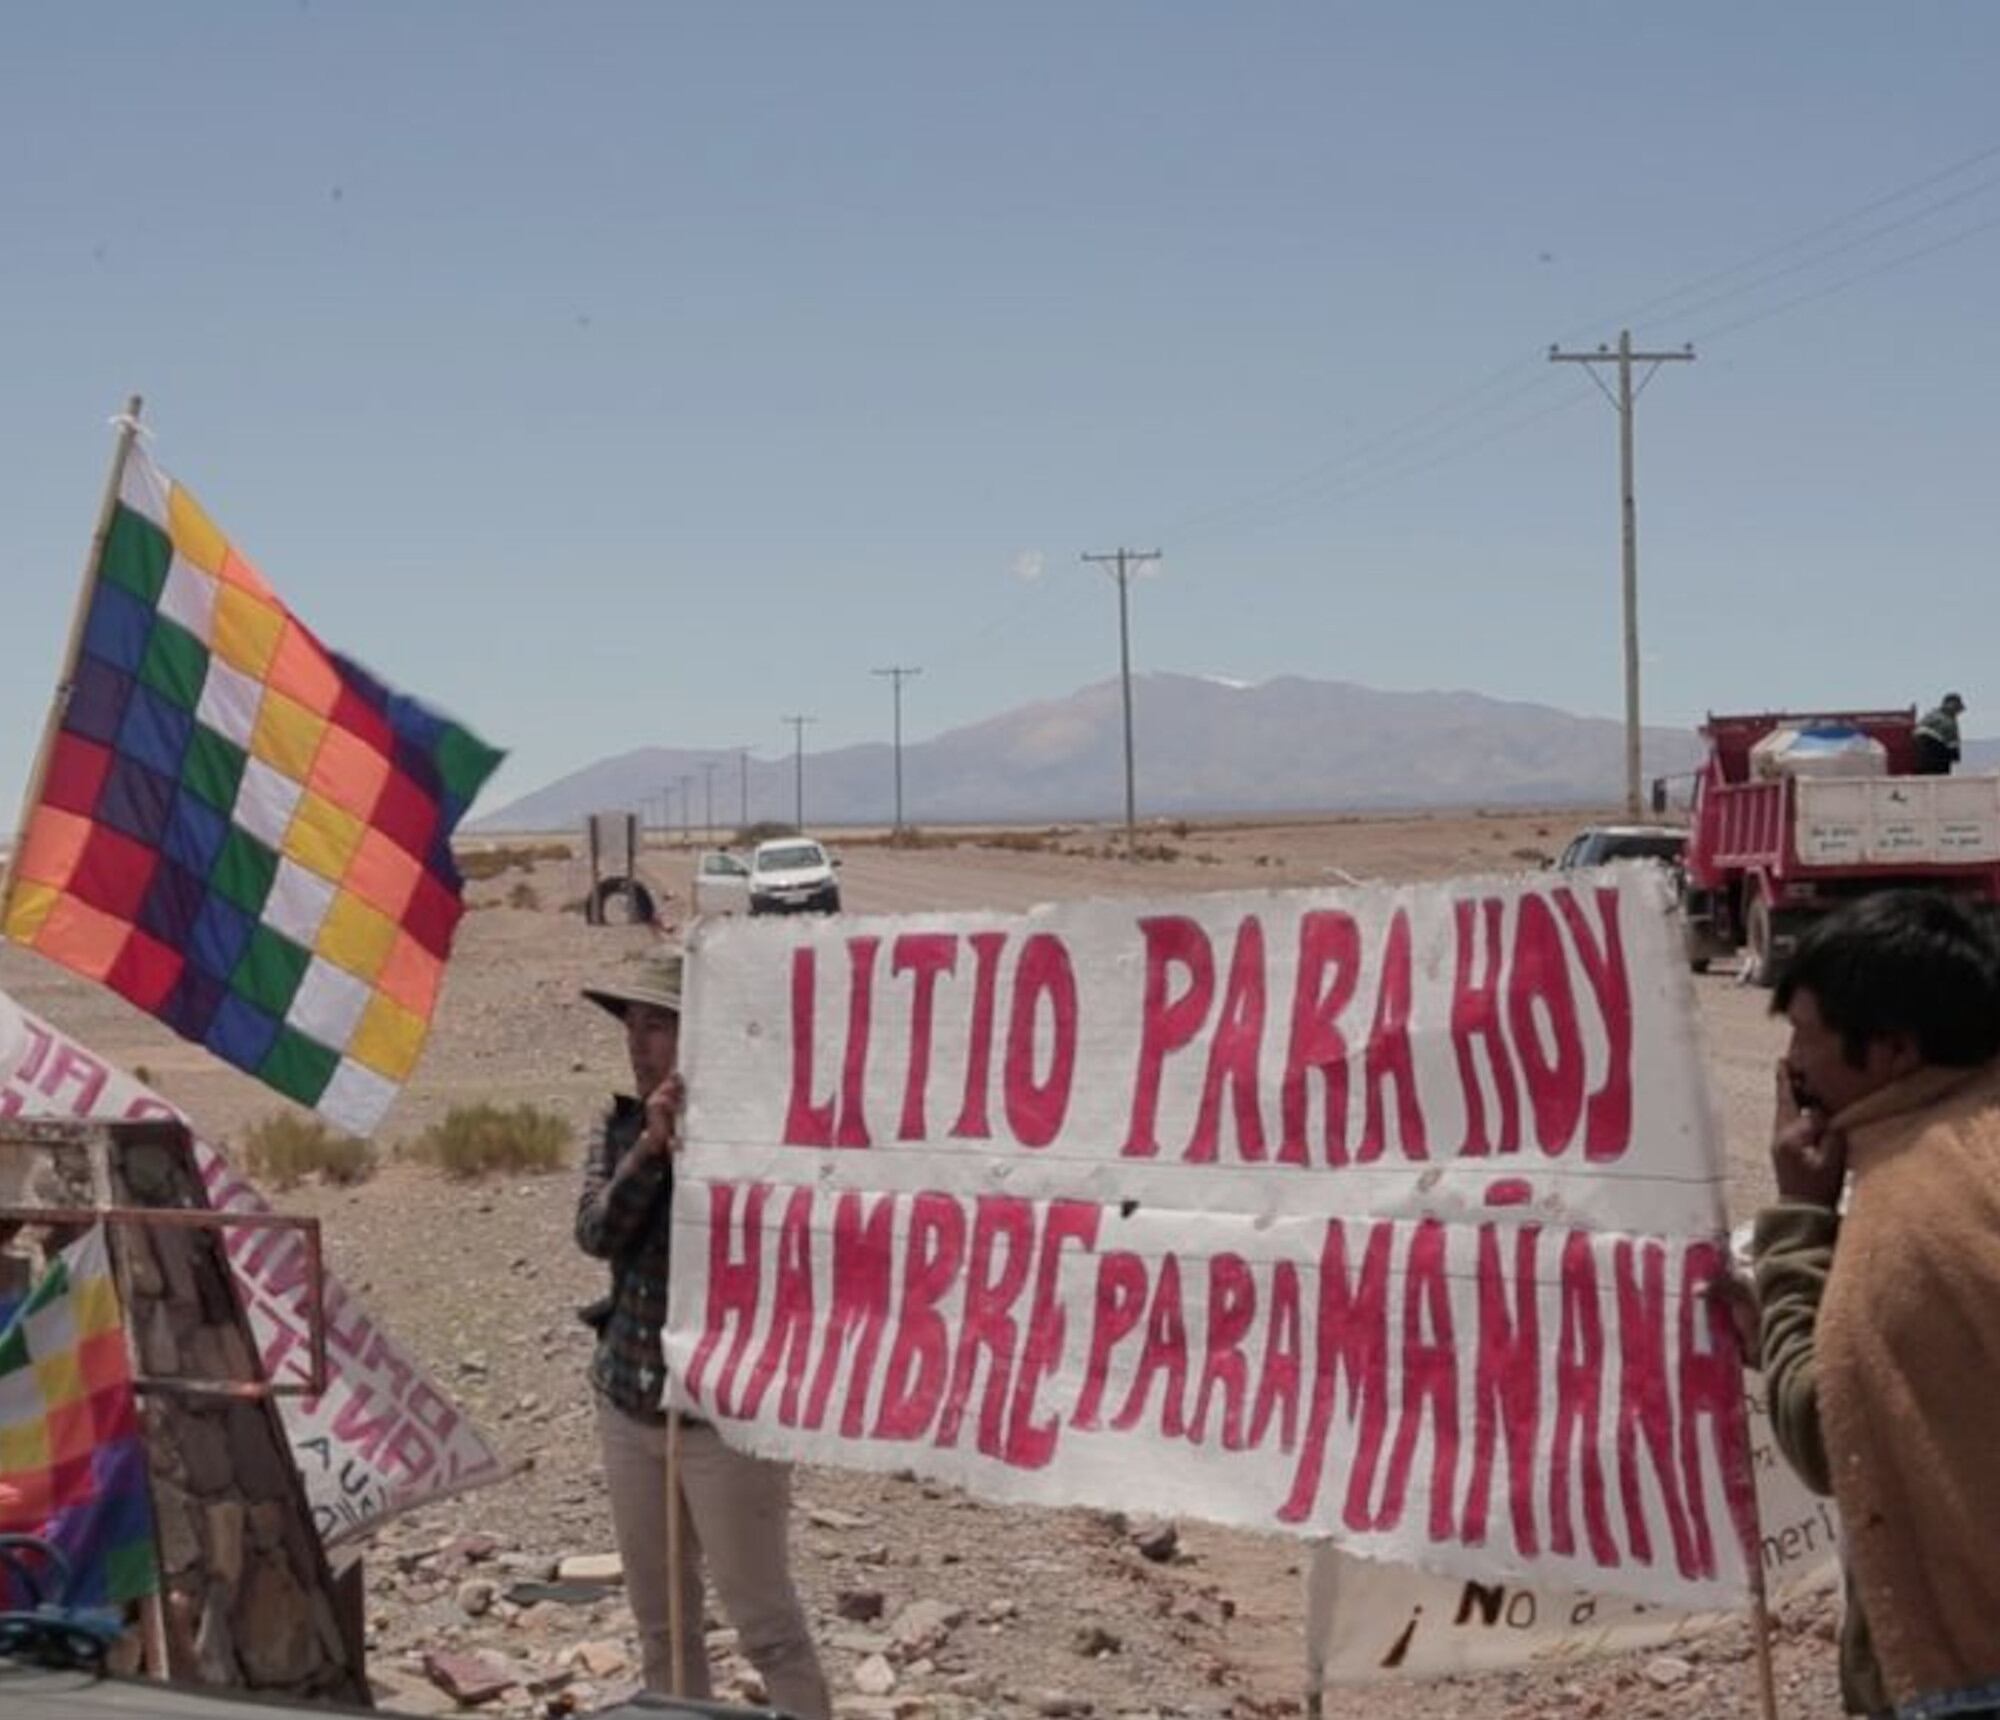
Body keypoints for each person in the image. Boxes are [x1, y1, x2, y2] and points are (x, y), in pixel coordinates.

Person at [1753, 891, 2000, 1718]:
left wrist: (1799, 1226)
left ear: (1891, 1050)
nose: (1793, 1067)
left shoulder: (1912, 1208)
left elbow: (1824, 1429)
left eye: (1807, 1039)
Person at [574, 950, 830, 1717]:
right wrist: (652, 1149)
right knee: (664, 1624)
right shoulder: (620, 1126)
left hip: (727, 1420)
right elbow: (596, 1233)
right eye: (633, 1025)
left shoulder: (759, 1137)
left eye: (660, 1025)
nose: (639, 1042)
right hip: (630, 1402)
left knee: (768, 1626)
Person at [1913, 692, 1965, 775]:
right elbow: (1953, 745)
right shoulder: (1949, 721)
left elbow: (1916, 733)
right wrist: (1955, 758)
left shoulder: (1930, 714)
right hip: (1935, 754)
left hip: (1920, 754)